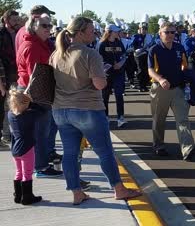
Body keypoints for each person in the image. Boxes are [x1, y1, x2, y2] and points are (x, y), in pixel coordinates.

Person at [50, 16, 142, 205]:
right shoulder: (90, 54)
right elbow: (100, 84)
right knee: (105, 151)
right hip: (87, 109)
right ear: (81, 33)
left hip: (61, 110)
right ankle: (118, 188)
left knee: (70, 153)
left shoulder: (56, 54)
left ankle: (76, 192)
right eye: (91, 31)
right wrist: (104, 76)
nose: (94, 34)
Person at [16, 13, 63, 178]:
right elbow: (34, 75)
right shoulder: (32, 46)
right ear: (33, 27)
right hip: (35, 94)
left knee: (42, 132)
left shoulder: (41, 44)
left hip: (37, 93)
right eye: (44, 25)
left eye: (50, 25)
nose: (48, 28)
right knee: (40, 132)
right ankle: (40, 166)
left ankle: (40, 164)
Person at [147, 21, 195, 161]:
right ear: (160, 33)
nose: (170, 35)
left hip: (177, 89)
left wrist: (190, 81)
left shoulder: (179, 48)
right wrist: (161, 79)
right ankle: (158, 146)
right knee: (159, 120)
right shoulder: (154, 50)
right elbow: (150, 70)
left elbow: (185, 67)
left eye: (173, 32)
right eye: (166, 32)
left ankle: (187, 148)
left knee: (183, 119)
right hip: (160, 89)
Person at [8, 89, 43, 205]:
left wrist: (25, 100)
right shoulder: (29, 115)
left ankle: (18, 196)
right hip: (27, 148)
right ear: (25, 104)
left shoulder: (10, 114)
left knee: (18, 172)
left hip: (15, 149)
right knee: (27, 173)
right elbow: (41, 111)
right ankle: (27, 197)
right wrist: (31, 102)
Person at [98, 24, 127, 127]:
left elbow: (124, 55)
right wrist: (108, 66)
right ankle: (106, 117)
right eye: (115, 31)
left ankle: (120, 118)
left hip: (118, 73)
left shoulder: (119, 42)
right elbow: (99, 60)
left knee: (119, 95)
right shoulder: (102, 44)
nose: (117, 33)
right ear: (109, 32)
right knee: (105, 97)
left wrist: (120, 64)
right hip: (107, 74)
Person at [0, 9, 20, 148]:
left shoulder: (19, 34)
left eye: (17, 20)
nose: (16, 22)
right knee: (7, 106)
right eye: (14, 20)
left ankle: (12, 134)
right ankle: (6, 135)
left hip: (18, 75)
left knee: (16, 105)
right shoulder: (1, 35)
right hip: (5, 76)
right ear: (7, 21)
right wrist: (1, 82)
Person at [131, 22, 154, 92]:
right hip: (139, 55)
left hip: (146, 54)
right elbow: (132, 46)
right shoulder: (136, 36)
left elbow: (152, 45)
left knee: (146, 70)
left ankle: (144, 85)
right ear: (139, 29)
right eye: (142, 29)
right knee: (140, 70)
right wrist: (137, 49)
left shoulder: (149, 36)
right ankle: (141, 86)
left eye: (145, 29)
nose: (144, 30)